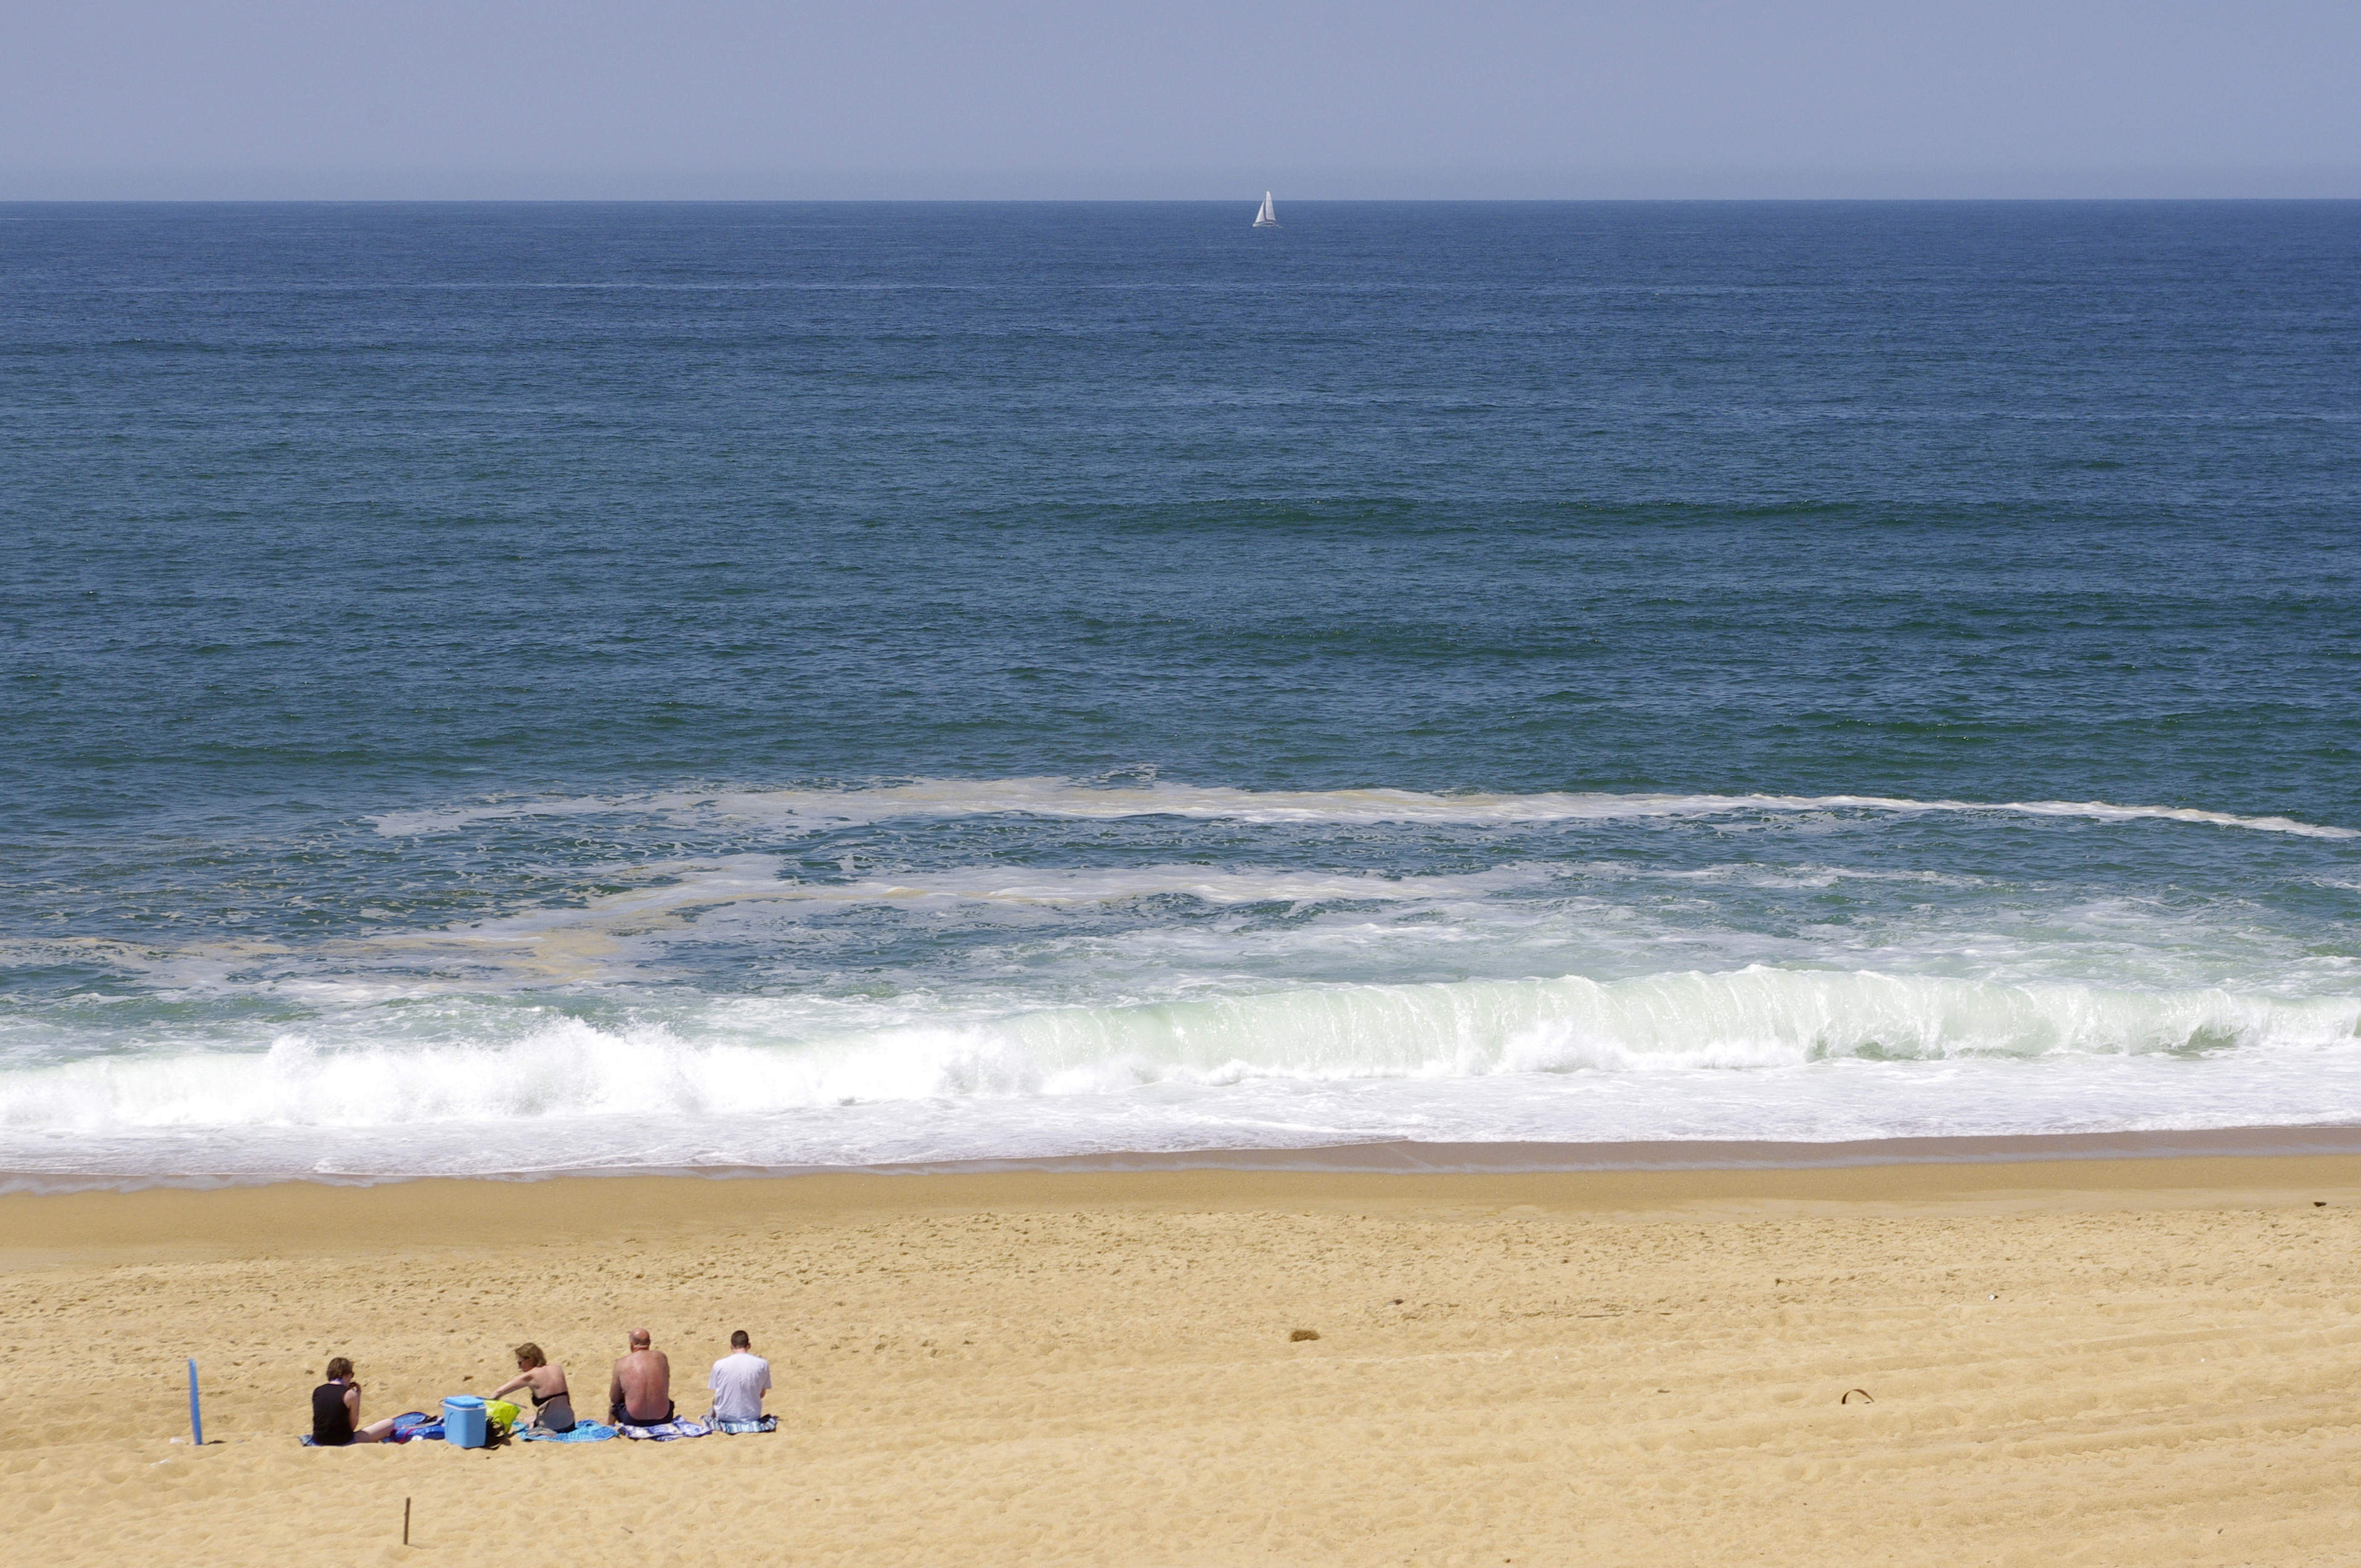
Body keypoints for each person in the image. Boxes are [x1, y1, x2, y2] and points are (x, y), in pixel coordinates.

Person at [484, 1341, 575, 1434]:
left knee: (527, 1421)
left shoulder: (530, 1376)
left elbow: (499, 1392)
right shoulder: (557, 1368)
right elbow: (567, 1399)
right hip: (570, 1424)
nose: (519, 1367)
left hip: (550, 1427)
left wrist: (486, 1408)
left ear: (530, 1360)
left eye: (520, 1363)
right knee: (533, 1417)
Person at [311, 1357, 399, 1446]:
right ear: (346, 1374)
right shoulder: (350, 1394)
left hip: (319, 1439)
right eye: (351, 1375)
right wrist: (358, 1396)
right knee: (390, 1423)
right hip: (342, 1441)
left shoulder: (318, 1391)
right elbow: (352, 1426)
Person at [608, 1328, 673, 1426]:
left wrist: (609, 1423)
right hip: (664, 1418)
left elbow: (614, 1398)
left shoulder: (621, 1363)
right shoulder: (661, 1357)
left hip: (633, 1420)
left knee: (620, 1397)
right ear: (649, 1343)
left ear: (631, 1344)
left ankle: (609, 1423)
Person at [707, 1329, 772, 1424]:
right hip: (752, 1416)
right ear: (749, 1346)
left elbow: (718, 1393)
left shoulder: (719, 1364)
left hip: (724, 1416)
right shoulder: (762, 1364)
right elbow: (761, 1394)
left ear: (731, 1346)